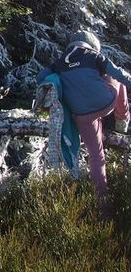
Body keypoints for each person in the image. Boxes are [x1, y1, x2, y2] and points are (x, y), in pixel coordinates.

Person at [36, 30, 131, 219]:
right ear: (92, 45)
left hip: (81, 115)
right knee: (114, 81)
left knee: (96, 158)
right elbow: (119, 74)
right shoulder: (94, 56)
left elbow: (41, 78)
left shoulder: (59, 63)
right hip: (105, 104)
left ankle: (104, 210)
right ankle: (122, 121)